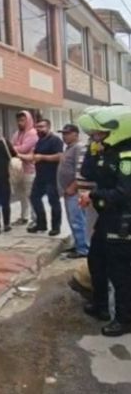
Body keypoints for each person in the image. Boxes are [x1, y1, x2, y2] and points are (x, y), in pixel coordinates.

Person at [77, 105, 131, 337]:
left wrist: (93, 195)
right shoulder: (107, 151)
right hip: (106, 217)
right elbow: (88, 172)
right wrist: (92, 148)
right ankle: (101, 307)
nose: (95, 137)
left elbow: (124, 193)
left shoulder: (126, 156)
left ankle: (124, 319)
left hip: (122, 220)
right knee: (96, 259)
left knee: (119, 271)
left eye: (99, 133)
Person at [22, 119, 64, 236]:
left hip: (52, 176)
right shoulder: (39, 141)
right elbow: (35, 156)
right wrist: (21, 156)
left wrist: (42, 157)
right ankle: (41, 224)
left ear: (48, 127)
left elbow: (60, 156)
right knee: (34, 197)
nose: (39, 129)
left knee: (53, 201)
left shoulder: (55, 140)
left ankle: (56, 227)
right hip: (40, 176)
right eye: (37, 127)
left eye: (41, 127)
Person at [58, 124, 89, 258]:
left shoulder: (79, 147)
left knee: (77, 220)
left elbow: (82, 171)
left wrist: (73, 187)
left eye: (67, 133)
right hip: (68, 191)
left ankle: (82, 249)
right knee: (73, 220)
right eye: (63, 133)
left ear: (76, 134)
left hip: (75, 191)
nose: (64, 136)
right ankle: (78, 244)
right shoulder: (69, 148)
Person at [11, 111, 39, 226]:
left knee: (31, 195)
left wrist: (14, 148)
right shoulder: (17, 133)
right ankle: (24, 217)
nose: (20, 123)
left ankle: (35, 219)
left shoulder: (32, 133)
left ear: (28, 120)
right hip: (17, 171)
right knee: (21, 195)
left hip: (29, 170)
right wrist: (15, 148)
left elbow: (22, 149)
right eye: (18, 120)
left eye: (22, 120)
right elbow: (11, 147)